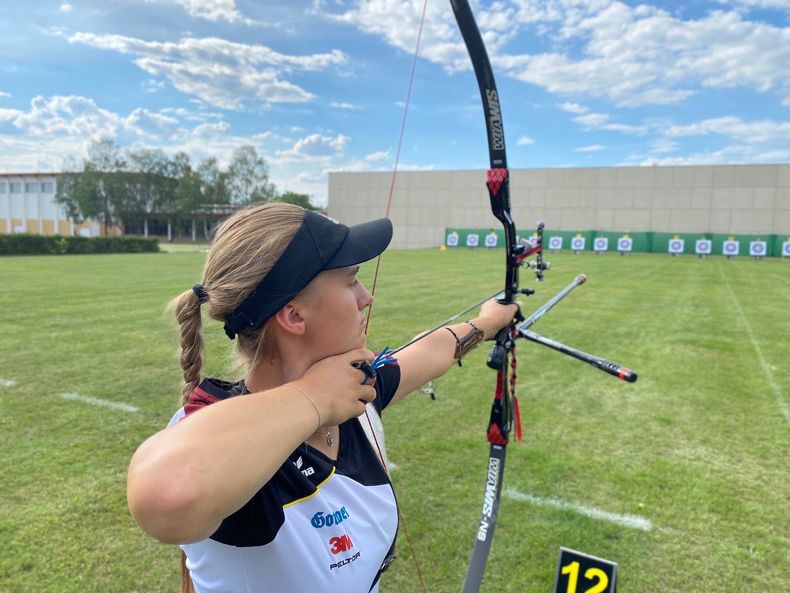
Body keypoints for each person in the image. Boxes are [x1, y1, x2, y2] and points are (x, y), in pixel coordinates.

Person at [127, 202, 518, 593]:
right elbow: (165, 496)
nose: (367, 298)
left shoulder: (352, 390)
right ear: (294, 316)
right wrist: (314, 397)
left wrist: (485, 322)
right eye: (350, 281)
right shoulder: (212, 428)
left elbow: (430, 352)